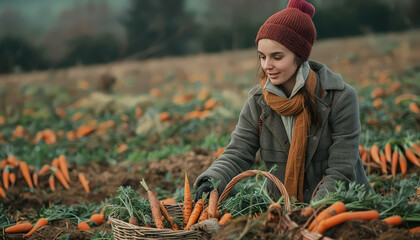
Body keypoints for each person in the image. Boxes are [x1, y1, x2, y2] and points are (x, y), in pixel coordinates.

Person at [194, 0, 371, 203]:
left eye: (277, 57)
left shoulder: (339, 98)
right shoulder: (258, 101)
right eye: (262, 57)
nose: (267, 66)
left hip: (344, 207)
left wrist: (314, 213)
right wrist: (211, 181)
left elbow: (341, 169)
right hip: (283, 210)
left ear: (300, 56)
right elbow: (238, 152)